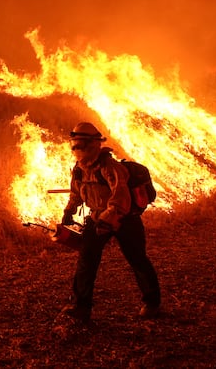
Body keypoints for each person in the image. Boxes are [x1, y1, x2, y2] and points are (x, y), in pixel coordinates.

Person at [59, 122, 161, 324]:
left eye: (81, 143)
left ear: (93, 144)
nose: (77, 148)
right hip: (97, 219)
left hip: (125, 220)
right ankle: (82, 308)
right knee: (86, 262)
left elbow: (121, 198)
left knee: (137, 259)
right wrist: (68, 212)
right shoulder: (79, 169)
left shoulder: (110, 168)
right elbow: (76, 193)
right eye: (75, 143)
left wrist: (107, 221)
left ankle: (152, 303)